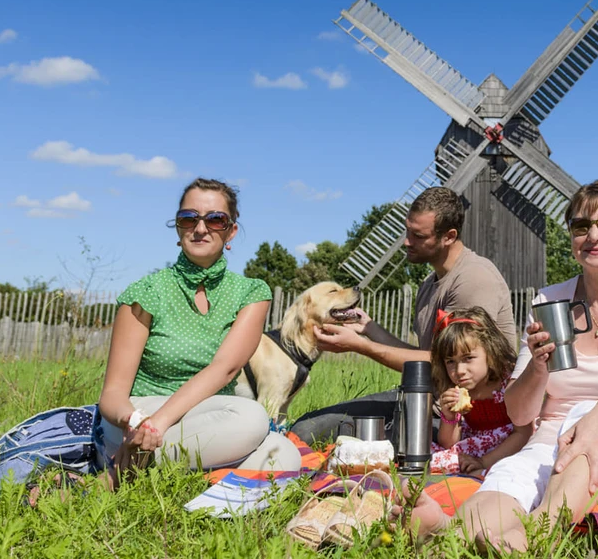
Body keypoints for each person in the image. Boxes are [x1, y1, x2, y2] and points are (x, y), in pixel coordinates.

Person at [411, 180, 598, 552]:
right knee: (509, 476)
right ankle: (451, 539)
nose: (594, 235)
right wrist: (538, 366)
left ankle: (536, 538)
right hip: (549, 442)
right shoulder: (549, 300)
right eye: (581, 226)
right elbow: (520, 414)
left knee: (584, 416)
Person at [97, 178, 300, 487]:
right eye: (189, 218)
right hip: (140, 414)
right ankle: (135, 468)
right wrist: (139, 423)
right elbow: (112, 395)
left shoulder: (250, 293)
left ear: (231, 231)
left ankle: (140, 471)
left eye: (215, 219)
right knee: (253, 420)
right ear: (178, 227)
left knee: (284, 455)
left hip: (211, 417)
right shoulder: (147, 291)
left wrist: (159, 426)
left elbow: (225, 368)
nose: (200, 228)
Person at [289, 187, 516, 444]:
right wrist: (368, 328)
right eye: (407, 231)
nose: (407, 242)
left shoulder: (473, 280)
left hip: (463, 419)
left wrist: (361, 347)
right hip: (426, 398)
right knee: (305, 429)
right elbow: (428, 358)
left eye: (418, 235)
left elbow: (438, 363)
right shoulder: (430, 283)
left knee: (343, 443)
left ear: (449, 236)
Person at [427, 306, 531, 476]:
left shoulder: (508, 384)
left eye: (468, 358)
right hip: (474, 447)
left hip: (508, 448)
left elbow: (523, 434)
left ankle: (483, 472)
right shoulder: (460, 389)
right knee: (430, 455)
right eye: (450, 362)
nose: (459, 370)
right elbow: (448, 444)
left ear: (491, 352)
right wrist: (449, 417)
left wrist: (483, 461)